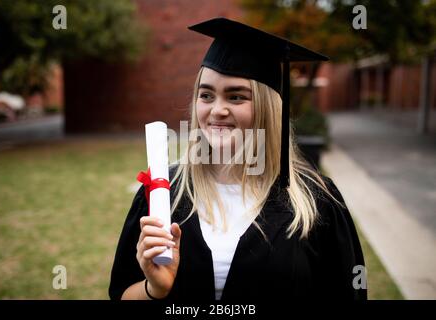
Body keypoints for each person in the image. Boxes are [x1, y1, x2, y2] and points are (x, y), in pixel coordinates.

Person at [109, 17, 367, 301]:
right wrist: (154, 289)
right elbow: (122, 294)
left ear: (267, 109)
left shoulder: (317, 202)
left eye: (235, 97)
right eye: (206, 95)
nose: (217, 110)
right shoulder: (164, 193)